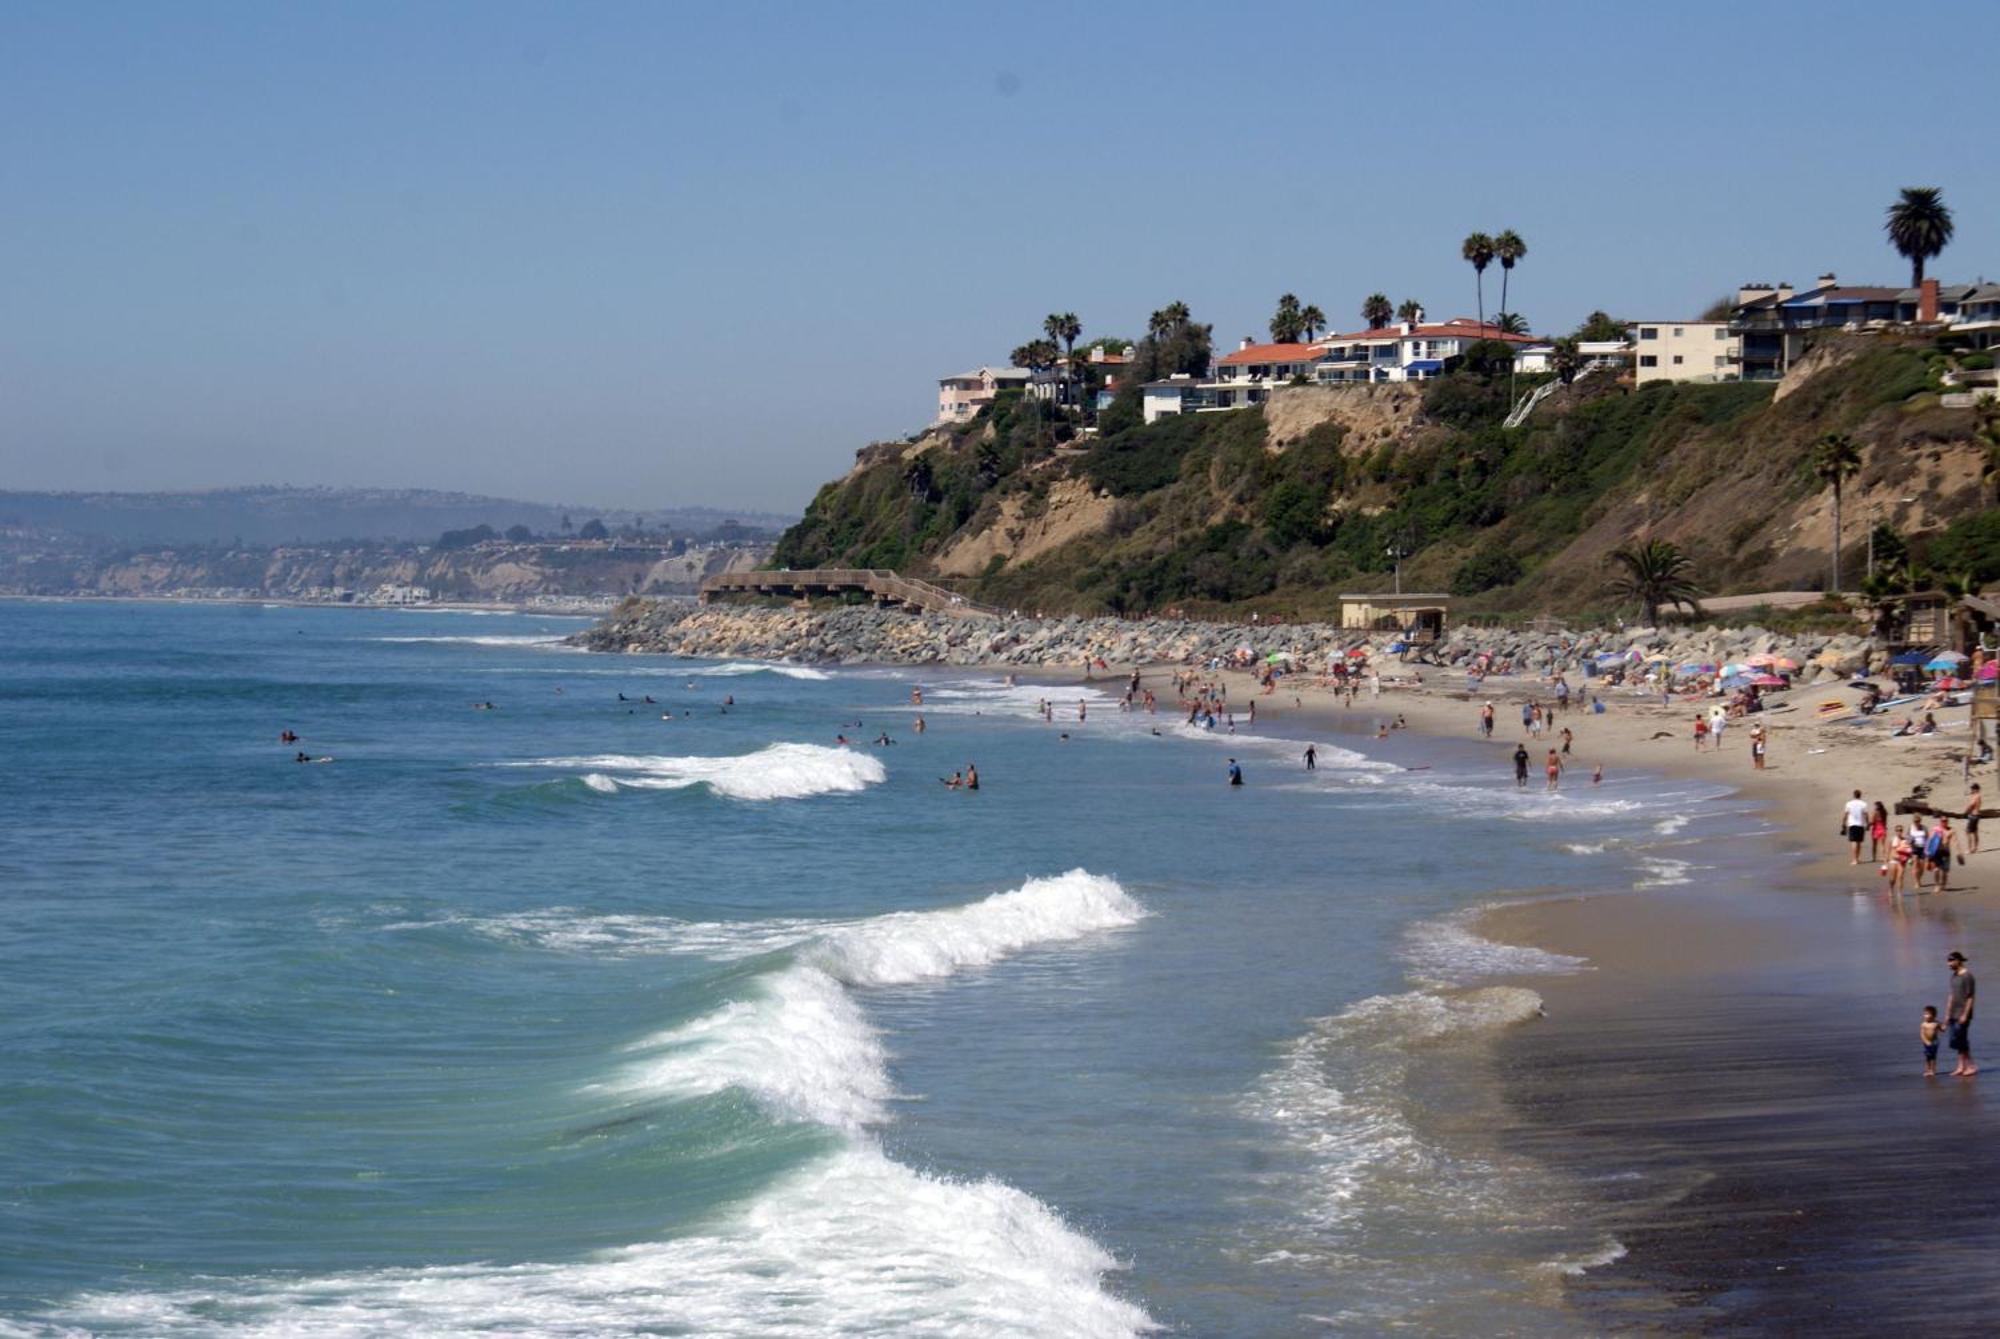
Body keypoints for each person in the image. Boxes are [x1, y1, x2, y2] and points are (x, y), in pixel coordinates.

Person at [1947, 951, 1977, 1077]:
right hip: (1953, 1013)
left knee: (1962, 1040)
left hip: (1963, 1013)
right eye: (1948, 961)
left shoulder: (1967, 976)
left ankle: (1971, 1066)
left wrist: (1965, 1014)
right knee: (1957, 1041)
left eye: (1951, 960)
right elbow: (1951, 996)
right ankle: (1961, 1066)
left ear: (1958, 960)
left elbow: (1970, 997)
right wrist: (1947, 1014)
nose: (1948, 963)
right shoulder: (1954, 976)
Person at [1843, 790, 1869, 866]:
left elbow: (1846, 814)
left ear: (1854, 795)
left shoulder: (1849, 803)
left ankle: (1855, 859)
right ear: (1860, 795)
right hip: (1860, 824)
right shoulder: (1863, 804)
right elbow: (1866, 815)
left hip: (1852, 824)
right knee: (1859, 842)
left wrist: (1843, 823)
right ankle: (1857, 858)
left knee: (1854, 841)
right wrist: (1867, 823)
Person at [1921, 1005, 1944, 1078]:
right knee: (1928, 1057)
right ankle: (1928, 1070)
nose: (1925, 1016)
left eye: (1928, 1014)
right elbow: (1922, 1034)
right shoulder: (1923, 1024)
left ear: (1933, 1015)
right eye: (1925, 1014)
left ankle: (1933, 1070)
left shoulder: (1936, 1023)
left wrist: (1944, 1026)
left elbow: (1942, 1029)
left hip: (1934, 1042)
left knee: (1933, 1057)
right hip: (1926, 1042)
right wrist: (1926, 1041)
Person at [1966, 784, 1983, 857]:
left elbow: (1972, 805)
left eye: (1972, 789)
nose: (1971, 790)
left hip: (1973, 815)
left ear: (1976, 789)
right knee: (1975, 832)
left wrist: (1966, 811)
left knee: (1968, 832)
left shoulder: (1976, 796)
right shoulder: (1978, 796)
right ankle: (1975, 848)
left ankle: (1970, 849)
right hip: (1976, 815)